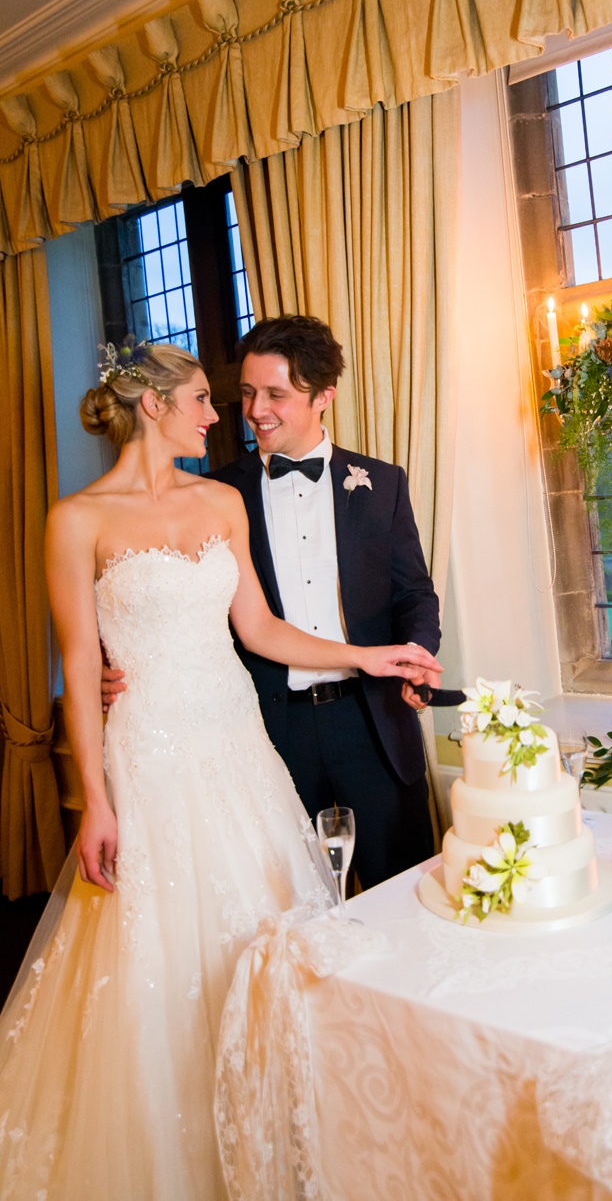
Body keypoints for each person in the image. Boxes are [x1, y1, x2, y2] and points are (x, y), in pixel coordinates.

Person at [0, 340, 441, 1201]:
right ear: (153, 405)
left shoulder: (220, 503)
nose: (221, 416)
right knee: (163, 954)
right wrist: (95, 801)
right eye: (205, 399)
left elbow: (264, 631)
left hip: (239, 746)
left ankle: (287, 1124)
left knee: (270, 933)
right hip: (150, 754)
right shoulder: (76, 520)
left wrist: (373, 655)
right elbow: (81, 669)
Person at [104, 315, 451, 888]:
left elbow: (415, 592)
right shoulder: (215, 493)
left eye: (275, 395)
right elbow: (157, 595)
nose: (253, 409)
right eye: (246, 392)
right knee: (294, 910)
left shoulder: (383, 483)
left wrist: (416, 655)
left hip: (371, 724)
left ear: (323, 398)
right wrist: (113, 665)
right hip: (265, 732)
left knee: (403, 899)